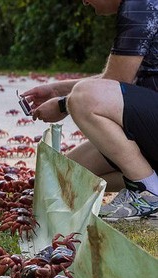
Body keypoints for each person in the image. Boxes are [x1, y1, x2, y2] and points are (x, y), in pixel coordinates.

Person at [22, 0, 158, 221]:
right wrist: (55, 89)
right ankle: (150, 181)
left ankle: (148, 192)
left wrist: (62, 104)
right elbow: (118, 80)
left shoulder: (140, 5)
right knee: (61, 176)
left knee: (84, 97)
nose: (84, 1)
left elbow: (109, 85)